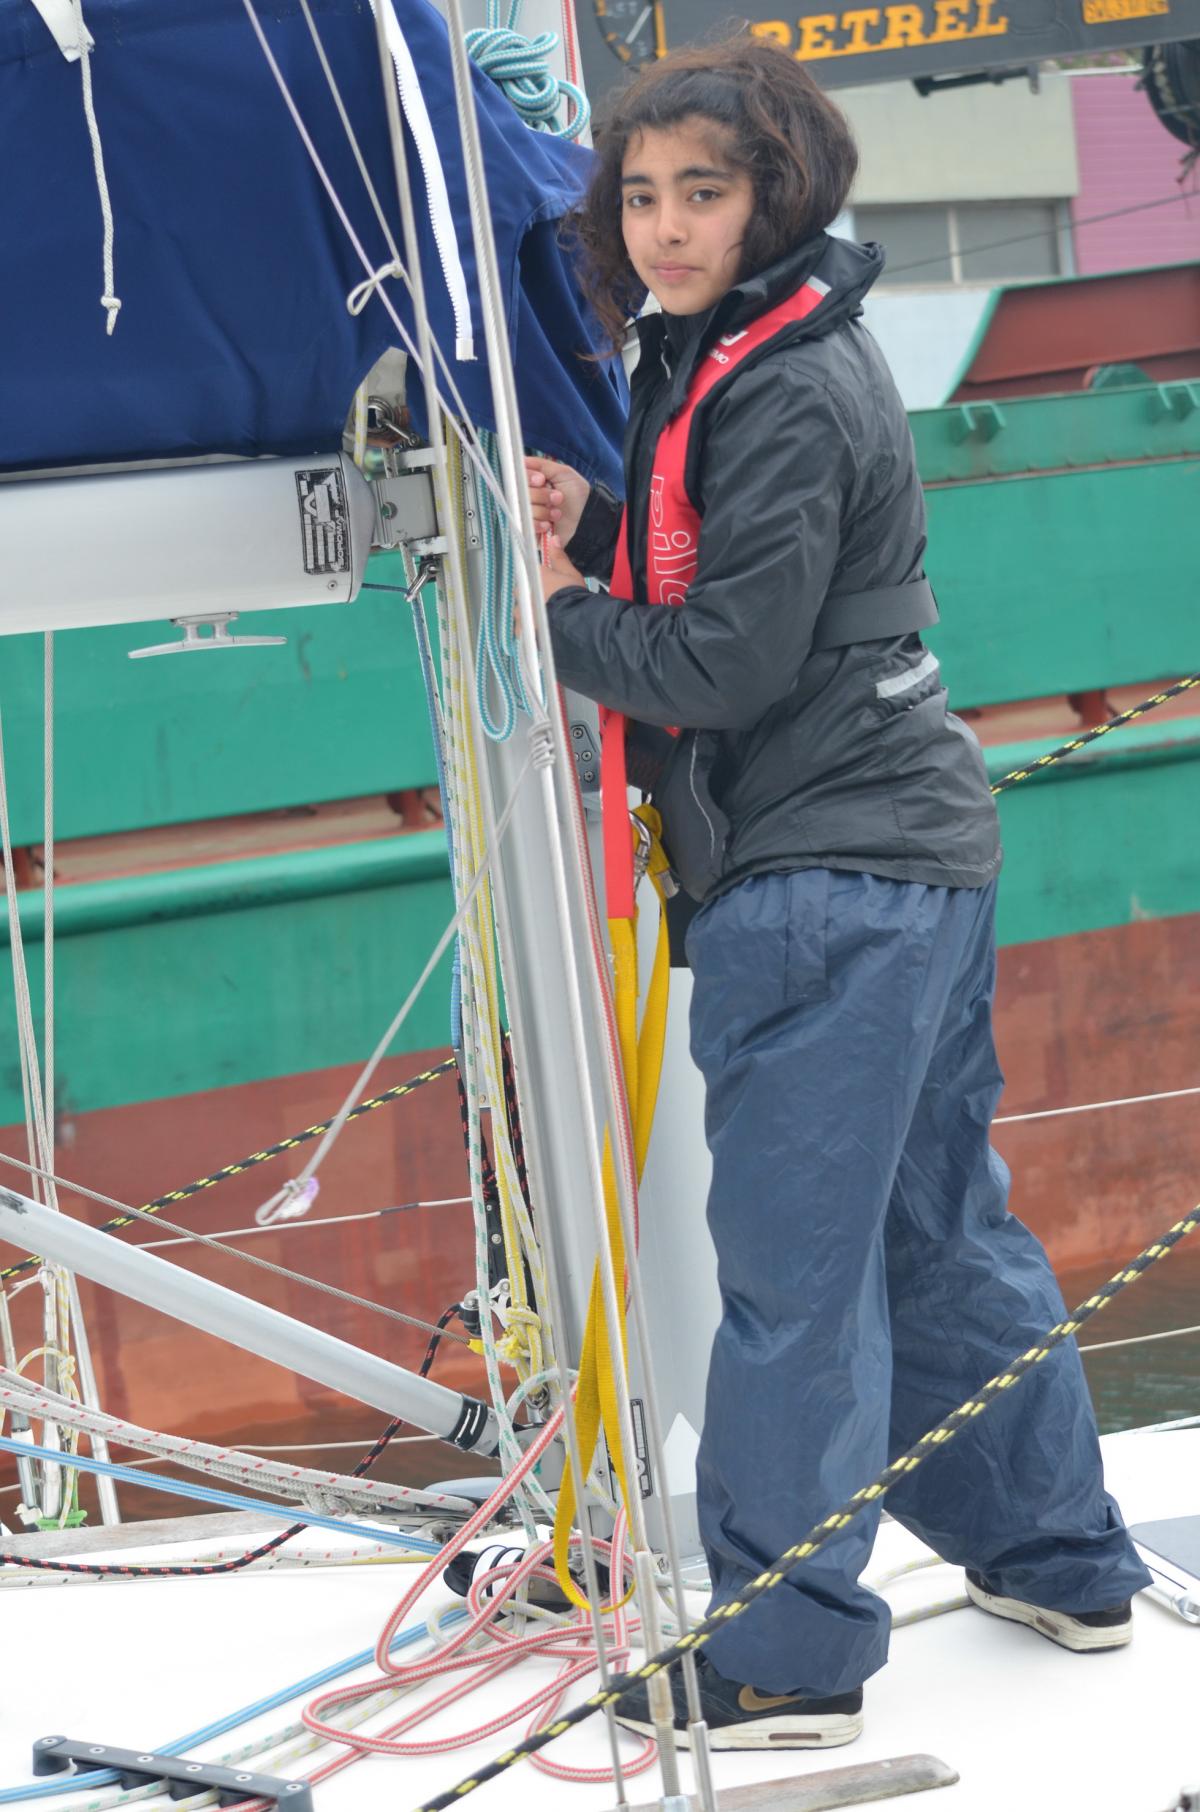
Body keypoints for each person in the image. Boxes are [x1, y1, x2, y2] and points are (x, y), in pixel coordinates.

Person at [524, 38, 1151, 1752]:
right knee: (939, 1232)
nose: (664, 228)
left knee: (797, 1279)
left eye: (702, 193)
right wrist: (606, 521)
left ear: (775, 196)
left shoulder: (781, 383)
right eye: (639, 197)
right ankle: (1063, 1562)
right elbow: (736, 574)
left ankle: (786, 1662)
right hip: (903, 852)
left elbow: (722, 663)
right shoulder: (758, 350)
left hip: (824, 877)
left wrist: (559, 598)